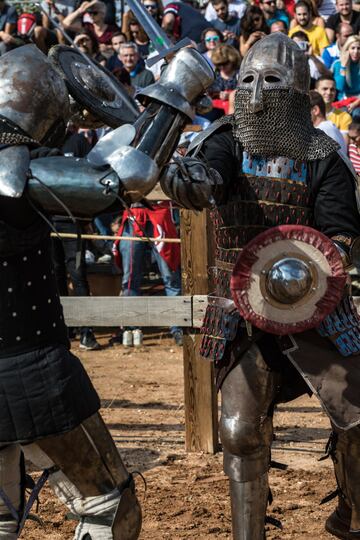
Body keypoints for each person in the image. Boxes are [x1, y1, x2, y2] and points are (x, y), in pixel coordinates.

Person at [160, 32, 360, 540]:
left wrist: (320, 264)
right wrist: (194, 180)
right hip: (240, 308)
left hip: (315, 304)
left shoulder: (322, 155)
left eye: (269, 80)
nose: (255, 91)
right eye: (247, 79)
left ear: (293, 92)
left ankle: (354, 515)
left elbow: (341, 231)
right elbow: (210, 178)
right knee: (240, 431)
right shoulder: (224, 140)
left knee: (358, 417)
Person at [0, 44, 143, 540]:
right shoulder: (15, 167)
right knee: (112, 507)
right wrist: (175, 94)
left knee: (1, 519)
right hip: (30, 369)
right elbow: (121, 182)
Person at [112, 202, 184, 347]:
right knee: (130, 278)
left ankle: (177, 328)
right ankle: (131, 328)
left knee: (171, 275)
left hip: (159, 212)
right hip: (132, 213)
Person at [315, 75, 352, 140]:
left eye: (332, 89)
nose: (329, 92)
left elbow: (343, 146)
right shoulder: (307, 115)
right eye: (325, 89)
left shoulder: (344, 117)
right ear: (316, 91)